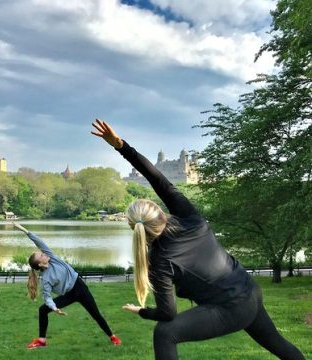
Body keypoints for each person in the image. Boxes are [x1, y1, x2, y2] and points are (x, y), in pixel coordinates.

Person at [91, 119, 305, 360]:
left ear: (136, 230)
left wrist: (142, 311)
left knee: (165, 333)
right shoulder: (189, 218)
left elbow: (167, 313)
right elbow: (157, 178)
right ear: (159, 210)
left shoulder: (158, 260)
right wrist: (120, 145)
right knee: (280, 346)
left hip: (232, 307)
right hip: (249, 291)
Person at [12, 222, 122, 349]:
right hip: (69, 295)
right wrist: (54, 307)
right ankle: (42, 340)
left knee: (95, 314)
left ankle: (112, 337)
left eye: (42, 253)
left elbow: (39, 242)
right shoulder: (46, 279)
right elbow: (47, 297)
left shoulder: (52, 258)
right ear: (41, 264)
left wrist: (23, 230)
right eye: (41, 255)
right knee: (43, 309)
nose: (44, 253)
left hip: (80, 287)